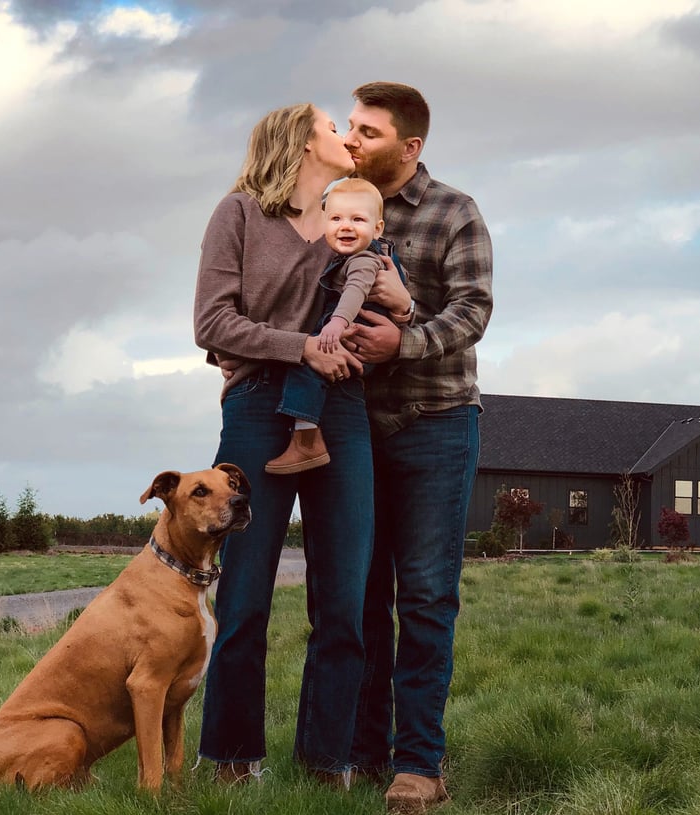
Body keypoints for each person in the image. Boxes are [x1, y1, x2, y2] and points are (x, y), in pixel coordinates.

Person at [192, 102, 373, 788]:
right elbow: (212, 322)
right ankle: (231, 760)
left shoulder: (347, 222)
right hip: (258, 408)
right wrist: (301, 346)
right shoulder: (237, 214)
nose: (346, 136)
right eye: (334, 126)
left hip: (344, 408)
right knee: (243, 594)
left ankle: (327, 763)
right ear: (301, 142)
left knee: (344, 597)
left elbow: (373, 305)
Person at [341, 82, 494, 812]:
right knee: (362, 596)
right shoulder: (337, 208)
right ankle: (363, 752)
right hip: (356, 432)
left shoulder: (454, 211)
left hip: (436, 424)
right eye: (348, 127)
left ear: (410, 146)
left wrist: (406, 340)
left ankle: (420, 762)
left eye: (366, 131)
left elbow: (473, 311)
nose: (351, 140)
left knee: (427, 598)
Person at [265, 177, 410, 476]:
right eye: (336, 219)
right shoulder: (353, 255)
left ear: (377, 228)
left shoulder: (364, 259)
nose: (345, 226)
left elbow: (356, 290)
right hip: (357, 338)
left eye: (357, 219)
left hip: (353, 333)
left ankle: (306, 439)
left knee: (306, 364)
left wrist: (336, 322)